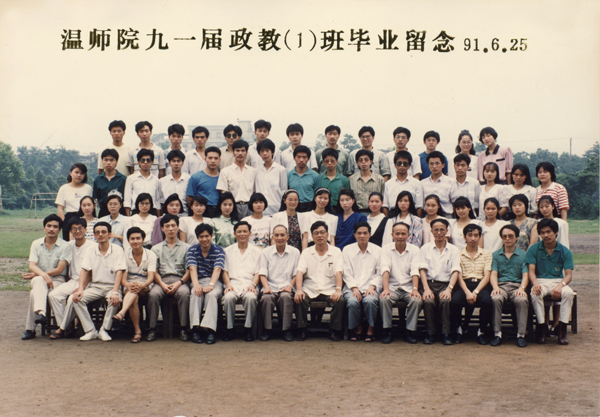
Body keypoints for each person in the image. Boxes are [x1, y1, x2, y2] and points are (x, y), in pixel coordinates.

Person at [71, 222, 126, 341]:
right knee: (76, 298)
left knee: (114, 300)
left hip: (111, 286)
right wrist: (80, 289)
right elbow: (84, 270)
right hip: (95, 286)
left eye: (104, 232)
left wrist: (115, 292)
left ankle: (104, 330)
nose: (100, 234)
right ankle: (90, 330)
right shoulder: (90, 250)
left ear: (110, 234)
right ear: (94, 235)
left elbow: (119, 272)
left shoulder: (118, 250)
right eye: (97, 232)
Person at [21, 214, 72, 340]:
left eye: (55, 227)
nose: (51, 229)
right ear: (44, 228)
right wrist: (43, 275)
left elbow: (60, 269)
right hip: (41, 279)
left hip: (57, 280)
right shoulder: (36, 243)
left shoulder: (65, 245)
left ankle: (30, 329)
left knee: (34, 293)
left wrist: (42, 274)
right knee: (38, 280)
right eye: (49, 226)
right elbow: (32, 265)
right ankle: (42, 313)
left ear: (59, 230)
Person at [294, 221, 345, 341]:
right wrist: (299, 290)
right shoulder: (306, 252)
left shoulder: (336, 251)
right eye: (316, 233)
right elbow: (299, 272)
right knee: (299, 298)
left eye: (322, 232)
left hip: (329, 289)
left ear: (327, 234)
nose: (319, 235)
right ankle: (302, 329)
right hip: (310, 288)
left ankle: (334, 330)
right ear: (312, 236)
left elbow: (338, 272)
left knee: (340, 300)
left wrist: (338, 290)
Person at [527, 219, 574, 345]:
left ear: (556, 232)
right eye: (542, 233)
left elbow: (568, 275)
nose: (546, 235)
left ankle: (562, 328)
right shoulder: (534, 249)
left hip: (558, 281)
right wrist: (535, 284)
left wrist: (560, 285)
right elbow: (531, 271)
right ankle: (542, 327)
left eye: (549, 232)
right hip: (540, 281)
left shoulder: (564, 250)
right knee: (535, 293)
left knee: (569, 293)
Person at [48, 218, 94, 340]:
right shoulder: (68, 245)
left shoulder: (92, 246)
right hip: (73, 281)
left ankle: (61, 329)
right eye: (74, 229)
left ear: (85, 229)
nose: (77, 231)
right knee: (53, 295)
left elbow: (91, 270)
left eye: (80, 228)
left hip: (89, 282)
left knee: (72, 299)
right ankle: (68, 326)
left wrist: (81, 287)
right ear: (70, 231)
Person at [148, 214, 192, 342]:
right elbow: (154, 271)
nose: (171, 229)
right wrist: (162, 285)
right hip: (161, 281)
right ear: (162, 228)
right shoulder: (155, 249)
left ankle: (183, 328)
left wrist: (179, 283)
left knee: (184, 294)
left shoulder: (187, 248)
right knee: (153, 295)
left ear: (178, 227)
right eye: (167, 226)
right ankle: (152, 328)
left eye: (173, 225)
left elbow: (189, 270)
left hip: (180, 281)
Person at [419, 218, 461, 345]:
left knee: (445, 300)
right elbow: (422, 270)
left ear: (447, 231)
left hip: (445, 284)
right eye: (436, 230)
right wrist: (426, 289)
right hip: (429, 283)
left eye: (442, 229)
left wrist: (449, 289)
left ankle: (446, 334)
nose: (439, 233)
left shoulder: (454, 250)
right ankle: (430, 333)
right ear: (431, 231)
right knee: (428, 301)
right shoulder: (425, 248)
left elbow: (455, 271)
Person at [450, 224, 493, 345]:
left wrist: (476, 292)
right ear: (464, 237)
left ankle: (481, 331)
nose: (473, 238)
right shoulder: (458, 253)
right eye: (469, 235)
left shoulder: (486, 254)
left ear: (479, 237)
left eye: (476, 235)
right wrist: (467, 292)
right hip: (464, 284)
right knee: (455, 301)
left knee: (487, 301)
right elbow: (458, 275)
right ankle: (458, 330)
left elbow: (487, 276)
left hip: (481, 285)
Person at [379, 221, 422, 344]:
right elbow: (385, 269)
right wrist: (386, 289)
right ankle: (387, 330)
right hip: (392, 287)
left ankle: (410, 331)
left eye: (403, 234)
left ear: (408, 235)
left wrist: (415, 289)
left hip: (408, 287)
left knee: (416, 300)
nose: (400, 236)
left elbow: (415, 270)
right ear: (392, 235)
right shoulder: (386, 249)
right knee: (384, 299)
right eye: (397, 233)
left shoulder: (415, 250)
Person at [112, 227, 156, 343]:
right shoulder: (124, 255)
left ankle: (122, 313)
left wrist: (143, 285)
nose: (135, 241)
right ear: (128, 240)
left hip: (145, 285)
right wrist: (128, 284)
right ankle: (137, 331)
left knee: (133, 292)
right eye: (132, 239)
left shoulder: (151, 254)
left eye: (138, 238)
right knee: (133, 296)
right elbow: (123, 278)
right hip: (130, 286)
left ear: (143, 240)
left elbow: (151, 277)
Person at [258, 225, 300, 342]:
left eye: (282, 235)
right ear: (272, 237)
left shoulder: (295, 252)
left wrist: (290, 286)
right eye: (276, 235)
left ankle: (286, 329)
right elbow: (262, 273)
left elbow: (297, 273)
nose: (279, 238)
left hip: (287, 286)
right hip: (270, 286)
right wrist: (266, 287)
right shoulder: (265, 252)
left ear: (287, 237)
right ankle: (267, 329)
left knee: (286, 297)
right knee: (266, 298)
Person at [490, 224, 529, 348]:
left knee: (522, 300)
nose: (507, 239)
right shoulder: (495, 255)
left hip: (517, 286)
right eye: (504, 236)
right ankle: (497, 334)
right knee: (496, 298)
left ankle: (521, 335)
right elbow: (493, 274)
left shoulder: (523, 255)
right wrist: (495, 287)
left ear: (517, 237)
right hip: (501, 286)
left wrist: (522, 288)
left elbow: (525, 275)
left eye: (511, 236)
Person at [222, 221, 262, 342]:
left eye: (245, 231)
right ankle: (229, 328)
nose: (242, 234)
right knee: (228, 297)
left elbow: (258, 272)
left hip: (250, 283)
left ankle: (248, 328)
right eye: (239, 231)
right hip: (233, 283)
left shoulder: (257, 251)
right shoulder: (227, 251)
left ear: (250, 233)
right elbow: (225, 271)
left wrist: (253, 285)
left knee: (251, 297)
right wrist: (228, 285)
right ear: (234, 234)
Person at [342, 222, 381, 342]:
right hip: (351, 287)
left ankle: (371, 329)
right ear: (354, 235)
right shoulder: (347, 250)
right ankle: (358, 328)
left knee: (370, 300)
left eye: (365, 233)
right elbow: (346, 272)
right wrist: (354, 288)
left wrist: (372, 286)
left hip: (371, 287)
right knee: (353, 301)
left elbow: (380, 272)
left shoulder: (378, 250)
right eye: (359, 233)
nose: (362, 236)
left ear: (370, 234)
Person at [187, 223, 226, 345]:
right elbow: (192, 269)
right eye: (201, 236)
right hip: (198, 280)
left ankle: (210, 330)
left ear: (212, 236)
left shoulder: (219, 250)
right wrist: (196, 285)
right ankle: (195, 329)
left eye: (207, 236)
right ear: (197, 237)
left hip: (215, 281)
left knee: (211, 295)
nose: (204, 239)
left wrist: (211, 285)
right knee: (195, 293)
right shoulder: (192, 250)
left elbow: (217, 269)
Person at [216, 139, 256, 218]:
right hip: (233, 207)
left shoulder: (253, 171)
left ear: (246, 153)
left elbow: (255, 191)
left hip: (250, 206)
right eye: (237, 150)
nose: (240, 153)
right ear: (233, 152)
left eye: (243, 150)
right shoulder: (225, 171)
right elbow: (224, 193)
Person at [55, 163, 93, 240]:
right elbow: (60, 208)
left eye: (82, 173)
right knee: (69, 243)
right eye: (76, 172)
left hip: (84, 217)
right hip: (69, 218)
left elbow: (91, 205)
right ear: (71, 173)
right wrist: (64, 222)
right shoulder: (63, 188)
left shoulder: (88, 188)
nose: (79, 175)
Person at [383, 150, 424, 217]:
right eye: (399, 163)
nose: (402, 166)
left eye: (405, 164)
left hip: (411, 215)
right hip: (393, 214)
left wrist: (418, 220)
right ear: (395, 165)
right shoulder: (388, 184)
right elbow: (385, 206)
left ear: (409, 166)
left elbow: (419, 206)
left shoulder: (417, 183)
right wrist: (387, 221)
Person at [254, 138, 287, 216]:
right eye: (262, 151)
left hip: (276, 208)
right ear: (259, 153)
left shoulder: (281, 170)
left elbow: (284, 190)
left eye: (267, 151)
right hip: (260, 210)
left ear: (272, 152)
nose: (265, 153)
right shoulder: (256, 170)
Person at [123, 149, 161, 216]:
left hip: (152, 212)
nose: (145, 162)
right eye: (142, 160)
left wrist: (158, 217)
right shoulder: (131, 178)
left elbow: (157, 201)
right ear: (138, 162)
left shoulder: (156, 180)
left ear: (152, 162)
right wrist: (128, 217)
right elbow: (127, 200)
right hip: (136, 212)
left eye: (148, 160)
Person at [421, 150, 458, 217]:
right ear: (428, 165)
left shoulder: (451, 182)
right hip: (428, 215)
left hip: (446, 215)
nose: (434, 166)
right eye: (431, 164)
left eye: (437, 163)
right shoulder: (422, 183)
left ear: (443, 165)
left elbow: (455, 202)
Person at [186, 146, 221, 218]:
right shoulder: (196, 177)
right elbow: (189, 198)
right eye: (210, 158)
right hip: (202, 211)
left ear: (219, 160)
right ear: (205, 159)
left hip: (218, 210)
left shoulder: (223, 177)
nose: (213, 161)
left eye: (216, 158)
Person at [287, 145, 321, 213]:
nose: (301, 160)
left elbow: (317, 194)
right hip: (293, 207)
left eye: (304, 157)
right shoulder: (288, 175)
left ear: (308, 159)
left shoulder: (315, 176)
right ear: (294, 158)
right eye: (298, 157)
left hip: (310, 208)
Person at [93, 148, 127, 217]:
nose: (108, 162)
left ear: (116, 162)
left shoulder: (123, 179)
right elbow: (97, 199)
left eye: (111, 160)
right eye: (106, 160)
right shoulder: (98, 180)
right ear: (102, 161)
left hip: (120, 212)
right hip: (104, 212)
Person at [159, 150, 190, 216]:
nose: (176, 164)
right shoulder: (162, 181)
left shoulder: (189, 180)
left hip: (184, 215)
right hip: (167, 216)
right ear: (169, 163)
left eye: (178, 161)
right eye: (173, 161)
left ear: (182, 163)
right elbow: (161, 202)